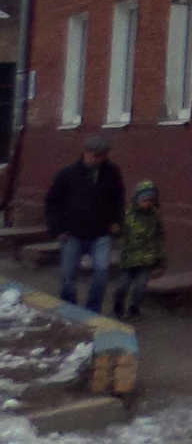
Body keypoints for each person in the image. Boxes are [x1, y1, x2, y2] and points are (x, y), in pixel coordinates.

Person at [44, 134, 125, 312]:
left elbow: (118, 199)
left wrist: (117, 221)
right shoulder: (67, 173)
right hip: (72, 232)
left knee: (102, 271)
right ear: (85, 153)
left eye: (103, 156)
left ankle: (92, 310)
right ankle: (69, 309)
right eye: (95, 156)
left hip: (101, 233)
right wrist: (57, 229)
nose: (99, 160)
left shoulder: (112, 173)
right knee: (68, 274)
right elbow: (52, 201)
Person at [110, 181, 166, 320]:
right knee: (122, 286)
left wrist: (160, 262)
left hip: (147, 260)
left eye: (150, 200)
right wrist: (116, 232)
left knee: (140, 287)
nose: (147, 203)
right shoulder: (127, 216)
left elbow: (159, 239)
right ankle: (118, 307)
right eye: (144, 200)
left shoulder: (154, 218)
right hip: (129, 259)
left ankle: (134, 309)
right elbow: (120, 233)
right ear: (137, 200)